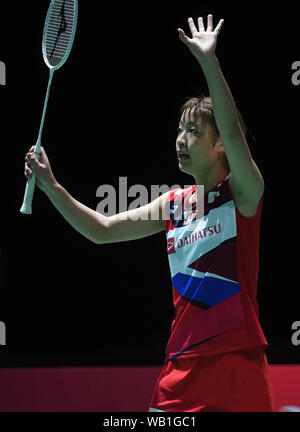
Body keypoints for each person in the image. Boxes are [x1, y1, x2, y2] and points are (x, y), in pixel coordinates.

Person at [24, 14, 275, 412]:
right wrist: (52, 186)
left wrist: (210, 63)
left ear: (221, 145)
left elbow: (232, 131)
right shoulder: (173, 204)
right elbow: (103, 229)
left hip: (235, 367)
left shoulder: (242, 194)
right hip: (178, 372)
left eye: (193, 131)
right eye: (178, 129)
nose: (180, 138)